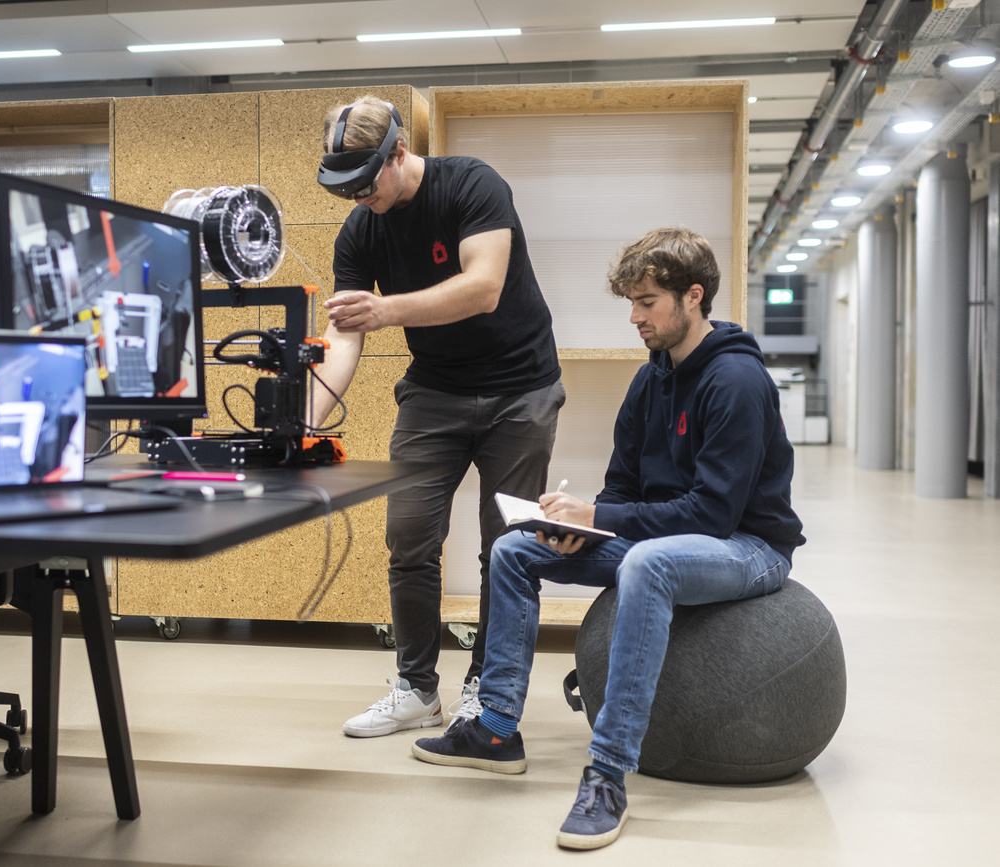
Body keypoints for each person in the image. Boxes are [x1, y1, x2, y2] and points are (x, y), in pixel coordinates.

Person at [411, 227, 805, 850]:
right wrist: (580, 526)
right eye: (632, 303)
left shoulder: (736, 381)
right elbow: (623, 486)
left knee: (648, 564)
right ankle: (494, 729)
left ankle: (607, 774)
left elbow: (713, 514)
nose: (635, 317)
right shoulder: (651, 379)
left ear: (694, 296)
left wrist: (602, 516)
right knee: (515, 550)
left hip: (748, 546)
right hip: (672, 538)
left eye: (648, 302)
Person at [312, 96, 563, 737]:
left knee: (505, 548)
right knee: (409, 537)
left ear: (399, 151)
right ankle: (417, 689)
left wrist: (387, 310)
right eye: (346, 188)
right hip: (434, 390)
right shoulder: (360, 231)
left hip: (520, 389)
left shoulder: (472, 184)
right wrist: (304, 422)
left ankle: (488, 688)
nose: (359, 197)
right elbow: (345, 337)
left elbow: (483, 288)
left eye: (366, 182)